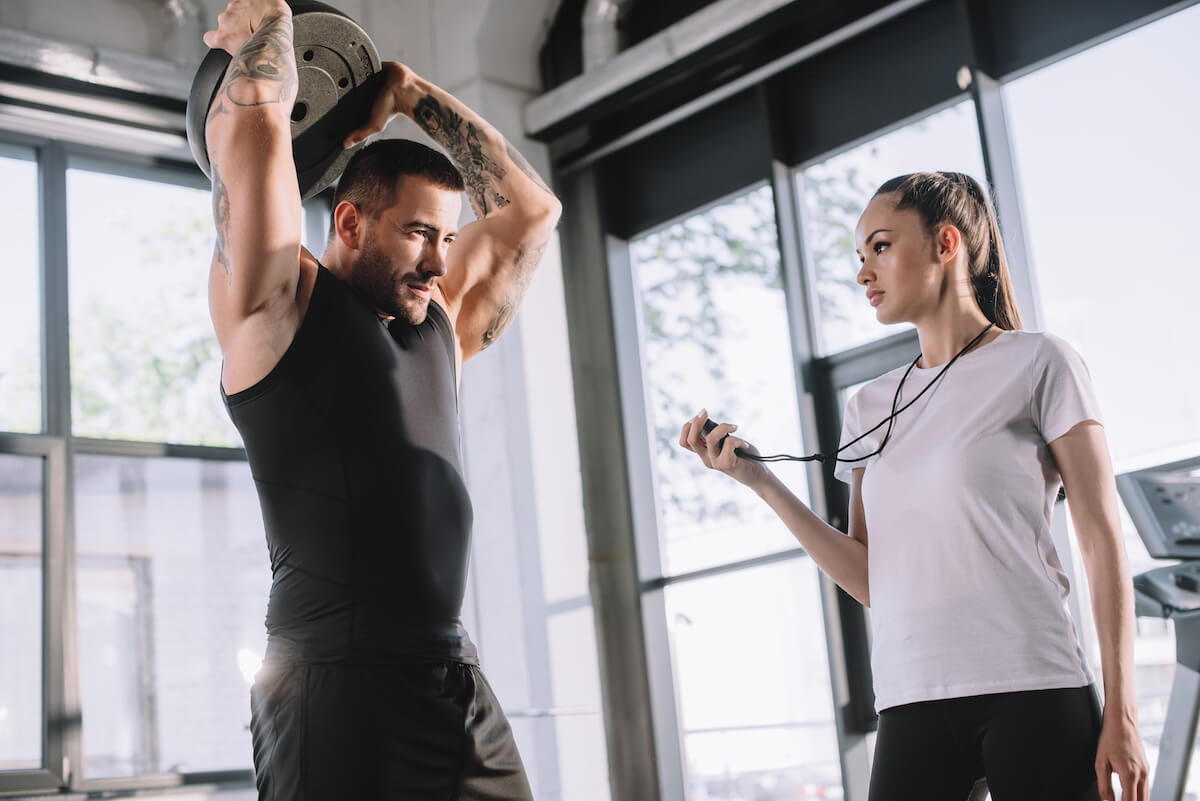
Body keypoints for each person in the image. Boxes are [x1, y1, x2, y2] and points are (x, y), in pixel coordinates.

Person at [680, 171, 1149, 801]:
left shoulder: (1041, 363)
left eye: (879, 246)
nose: (862, 272)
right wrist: (760, 482)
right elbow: (871, 577)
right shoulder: (868, 406)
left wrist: (1122, 712)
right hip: (910, 697)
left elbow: (1102, 543)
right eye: (859, 255)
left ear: (945, 244)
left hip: (1032, 685)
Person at [201, 1, 560, 798]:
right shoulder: (280, 308)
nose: (440, 261)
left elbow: (536, 212)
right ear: (353, 222)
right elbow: (252, 142)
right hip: (331, 685)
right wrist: (268, 43)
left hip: (453, 681)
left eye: (448, 237)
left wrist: (403, 91)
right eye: (420, 233)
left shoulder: (440, 329)